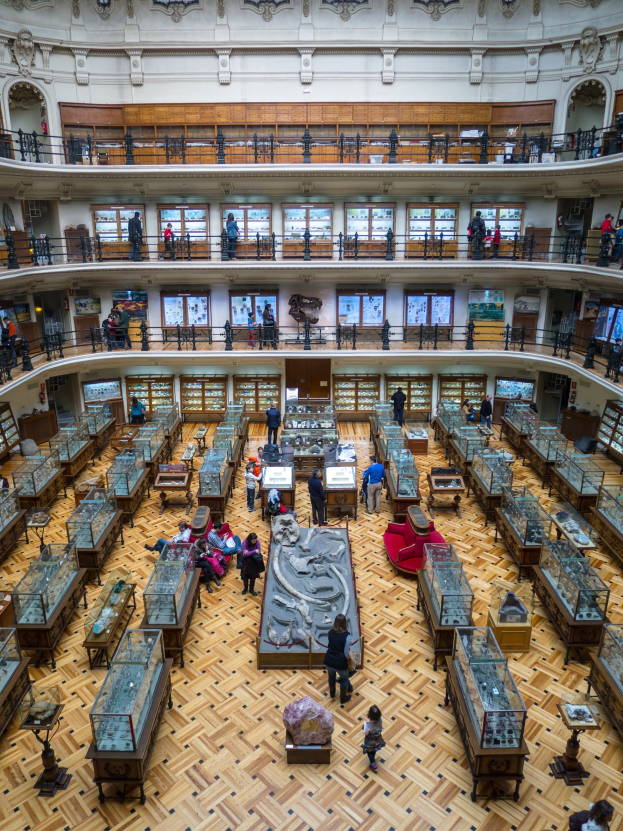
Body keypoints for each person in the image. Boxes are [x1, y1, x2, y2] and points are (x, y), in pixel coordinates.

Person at [323, 613, 353, 704]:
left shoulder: (330, 632)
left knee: (331, 676)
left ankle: (332, 694)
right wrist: (349, 659)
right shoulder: (347, 636)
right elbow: (346, 653)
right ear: (344, 623)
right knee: (344, 678)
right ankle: (343, 698)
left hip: (328, 660)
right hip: (340, 663)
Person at [361, 705, 385, 773]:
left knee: (369, 752)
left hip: (370, 741)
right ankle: (373, 756)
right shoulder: (380, 719)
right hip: (377, 739)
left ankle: (373, 765)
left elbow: (366, 733)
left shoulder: (367, 724)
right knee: (373, 749)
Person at [241, 532, 264, 596]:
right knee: (245, 577)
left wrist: (249, 552)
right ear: (250, 540)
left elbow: (259, 551)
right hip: (246, 563)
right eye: (253, 541)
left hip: (254, 562)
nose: (255, 542)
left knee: (253, 577)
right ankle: (245, 588)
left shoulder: (257, 541)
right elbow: (245, 554)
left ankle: (251, 589)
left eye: (255, 540)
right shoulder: (245, 542)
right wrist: (254, 551)